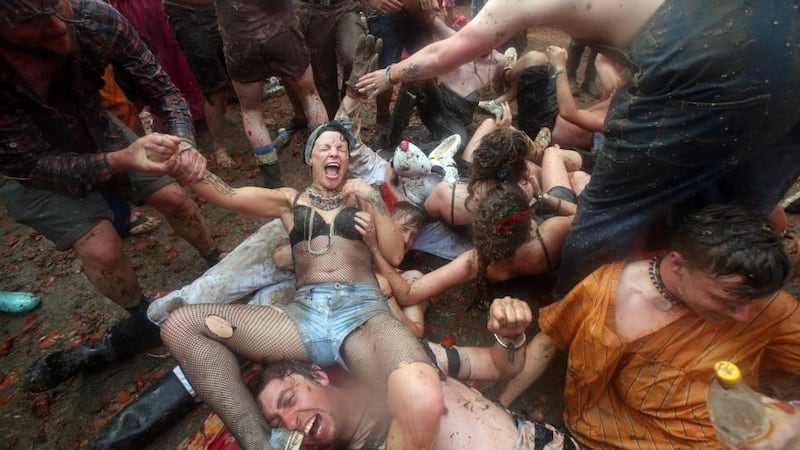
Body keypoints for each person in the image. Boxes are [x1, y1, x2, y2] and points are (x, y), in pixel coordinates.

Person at [358, 0, 800, 298]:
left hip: (705, 47)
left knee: (611, 211)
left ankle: (577, 313)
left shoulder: (497, 240)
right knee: (739, 197)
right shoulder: (523, 215)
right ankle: (734, 287)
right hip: (780, 22)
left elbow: (450, 51)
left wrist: (391, 74)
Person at [158, 121, 444, 449]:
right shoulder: (289, 201)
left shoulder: (363, 199)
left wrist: (372, 198)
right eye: (325, 147)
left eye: (341, 148)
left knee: (419, 393)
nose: (334, 151)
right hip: (303, 316)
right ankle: (259, 442)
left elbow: (394, 255)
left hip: (364, 314)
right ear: (311, 159)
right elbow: (230, 196)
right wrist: (187, 168)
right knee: (180, 326)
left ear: (348, 161)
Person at [0, 0, 221, 392]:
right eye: (33, 19)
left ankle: (216, 260)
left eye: (57, 4)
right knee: (101, 248)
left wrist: (183, 141)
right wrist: (118, 160)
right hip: (33, 169)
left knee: (173, 197)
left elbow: (163, 90)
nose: (55, 23)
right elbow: (33, 165)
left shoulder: (93, 17)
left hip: (97, 127)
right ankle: (141, 318)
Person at [498, 204, 800, 448]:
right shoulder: (604, 291)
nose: (744, 315)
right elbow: (549, 341)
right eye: (728, 301)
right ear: (678, 265)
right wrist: (500, 404)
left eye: (751, 301)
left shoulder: (766, 308)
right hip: (613, 436)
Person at [214, 0, 328, 187]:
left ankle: (274, 184)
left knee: (251, 111)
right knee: (310, 96)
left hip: (240, 40)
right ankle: (325, 169)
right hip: (281, 33)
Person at [163, 0, 236, 168]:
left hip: (221, 12)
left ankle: (252, 119)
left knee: (240, 75)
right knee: (214, 87)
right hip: (189, 16)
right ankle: (219, 146)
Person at [295, 0, 365, 119]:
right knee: (323, 76)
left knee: (354, 57)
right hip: (312, 8)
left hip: (346, 5)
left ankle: (347, 110)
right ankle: (332, 122)